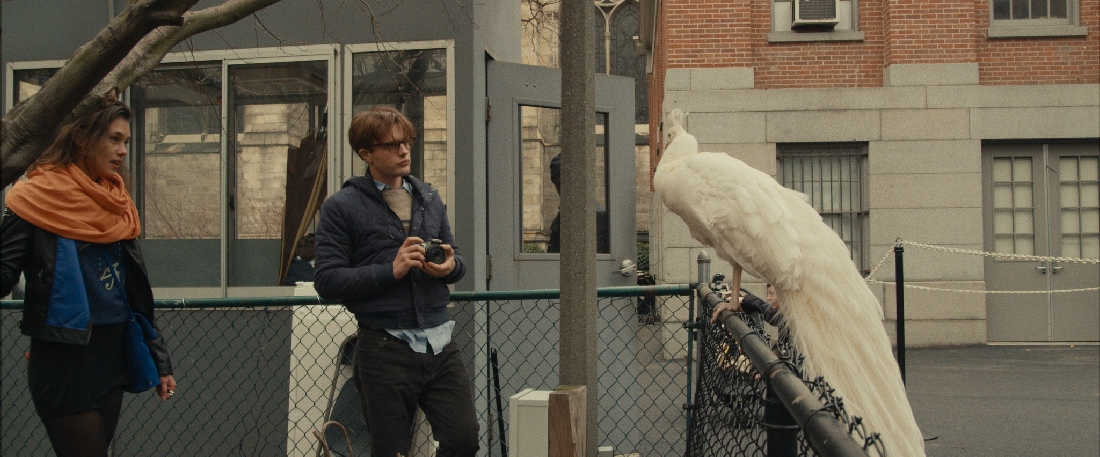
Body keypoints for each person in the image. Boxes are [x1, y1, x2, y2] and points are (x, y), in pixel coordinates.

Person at [0, 101, 177, 457]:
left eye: (126, 141)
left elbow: (134, 292)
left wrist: (160, 360)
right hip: (64, 356)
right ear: (81, 137)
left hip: (113, 352)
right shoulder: (36, 197)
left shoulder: (117, 202)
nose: (122, 151)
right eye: (113, 139)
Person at [313, 106, 478, 457]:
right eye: (391, 146)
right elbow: (327, 280)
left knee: (464, 440)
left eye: (406, 143)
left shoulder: (429, 198)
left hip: (440, 343)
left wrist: (448, 267)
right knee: (391, 451)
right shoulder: (341, 206)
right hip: (384, 348)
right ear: (366, 153)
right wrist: (392, 269)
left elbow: (458, 260)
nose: (403, 151)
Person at [546, 153, 610, 253]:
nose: (563, 191)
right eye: (559, 186)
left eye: (568, 184)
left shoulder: (597, 217)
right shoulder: (561, 217)